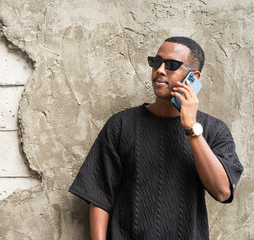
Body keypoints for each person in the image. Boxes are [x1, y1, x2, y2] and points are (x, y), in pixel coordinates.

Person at [69, 36, 244, 240]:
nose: (160, 70)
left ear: (193, 77)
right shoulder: (121, 125)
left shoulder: (214, 130)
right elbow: (99, 195)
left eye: (171, 65)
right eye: (156, 62)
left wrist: (190, 128)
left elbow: (222, 192)